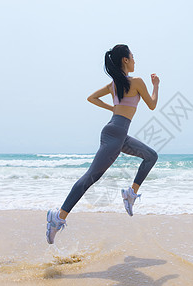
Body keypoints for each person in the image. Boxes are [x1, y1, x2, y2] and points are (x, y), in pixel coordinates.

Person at [46, 44, 160, 244]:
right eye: (132, 57)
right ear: (125, 60)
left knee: (151, 156)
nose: (134, 60)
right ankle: (58, 218)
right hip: (116, 134)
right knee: (91, 177)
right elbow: (152, 104)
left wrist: (114, 109)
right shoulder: (137, 82)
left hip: (117, 133)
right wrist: (156, 85)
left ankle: (130, 193)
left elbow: (92, 98)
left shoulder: (113, 85)